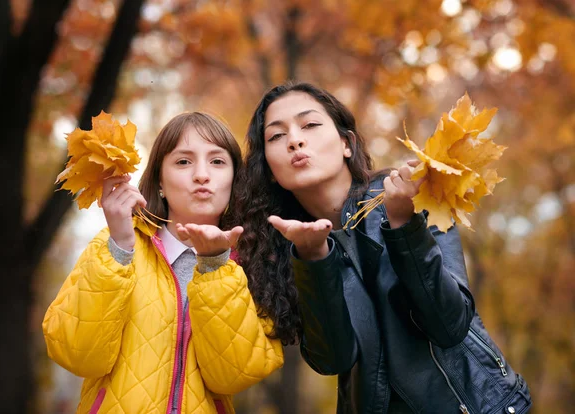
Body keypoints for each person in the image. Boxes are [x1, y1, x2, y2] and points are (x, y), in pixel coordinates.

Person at [235, 81, 532, 413]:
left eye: (310, 125)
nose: (295, 140)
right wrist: (313, 258)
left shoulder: (412, 196)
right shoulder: (285, 246)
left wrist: (404, 224)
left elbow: (450, 324)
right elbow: (332, 358)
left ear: (346, 143)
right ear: (271, 171)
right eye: (276, 136)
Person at [43, 112, 283, 414]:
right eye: (183, 161)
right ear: (159, 180)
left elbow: (234, 376)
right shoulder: (113, 245)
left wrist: (214, 266)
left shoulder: (251, 264)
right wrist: (119, 248)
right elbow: (76, 355)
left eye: (217, 161)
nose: (201, 175)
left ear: (235, 180)